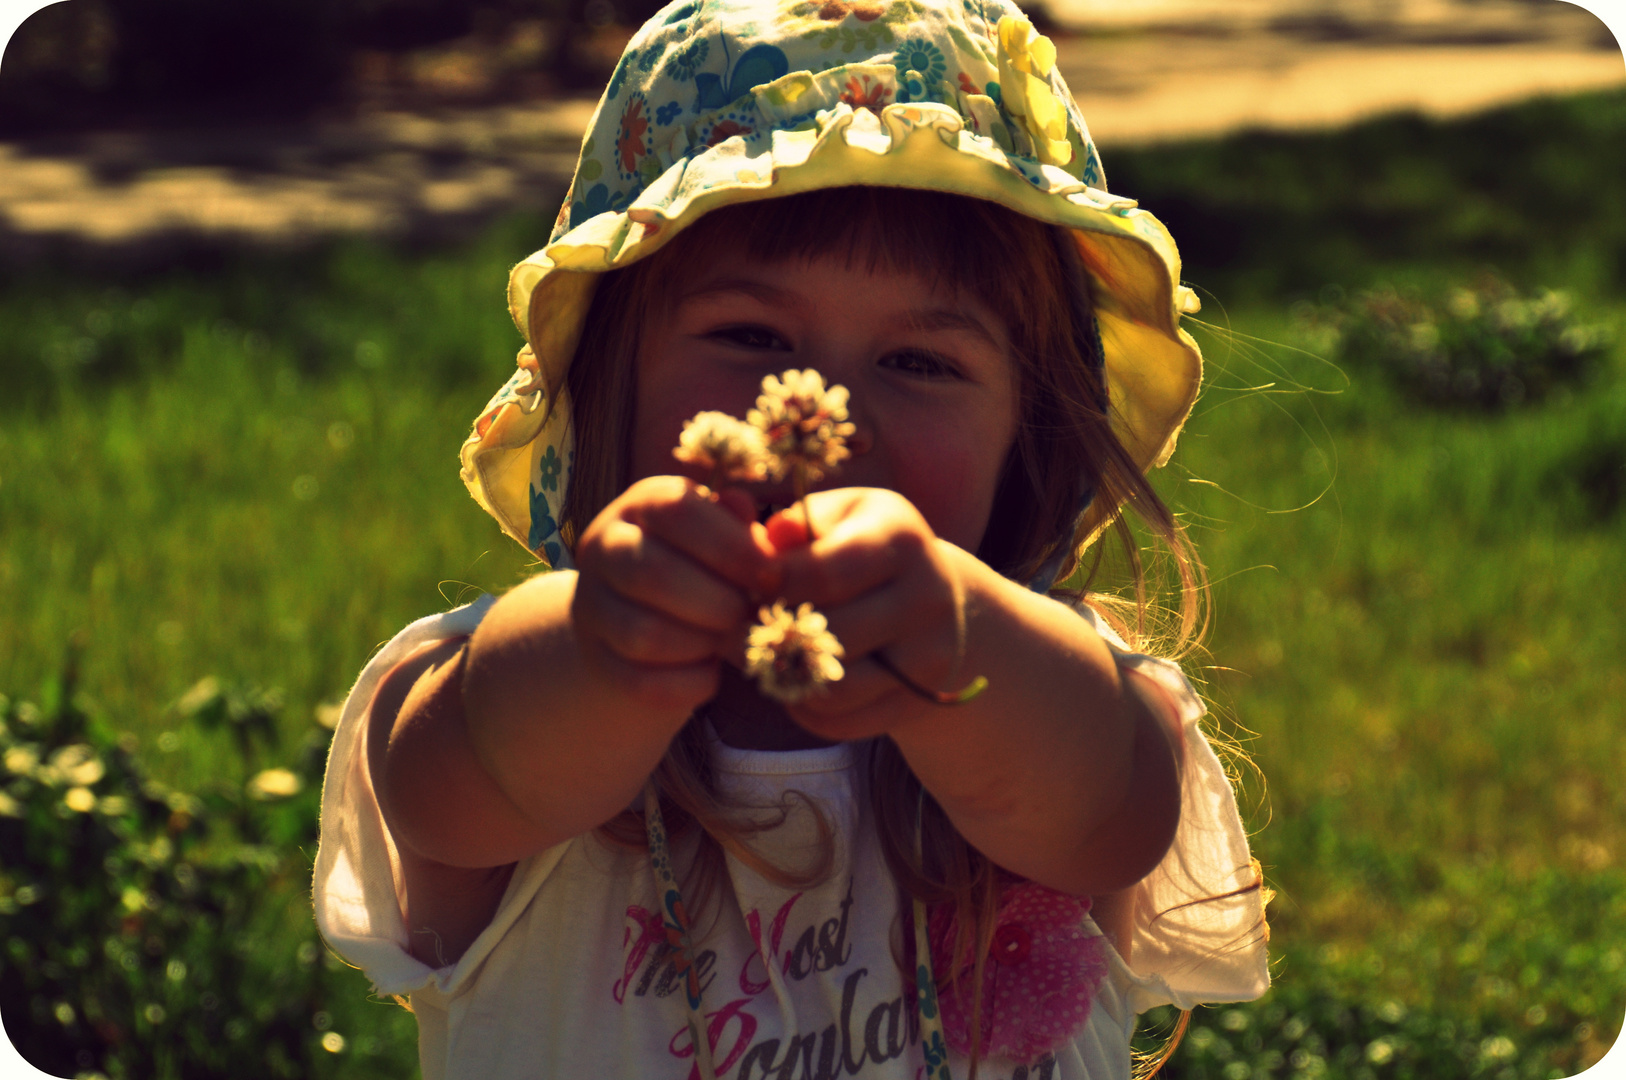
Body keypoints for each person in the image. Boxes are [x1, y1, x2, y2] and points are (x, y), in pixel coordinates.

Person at [314, 1, 1270, 1077]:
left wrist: (961, 642)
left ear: (1030, 436)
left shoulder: (1065, 699)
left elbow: (1110, 816)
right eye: (750, 336)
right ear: (608, 395)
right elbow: (449, 785)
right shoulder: (516, 694)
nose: (829, 410)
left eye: (922, 363)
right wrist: (601, 640)